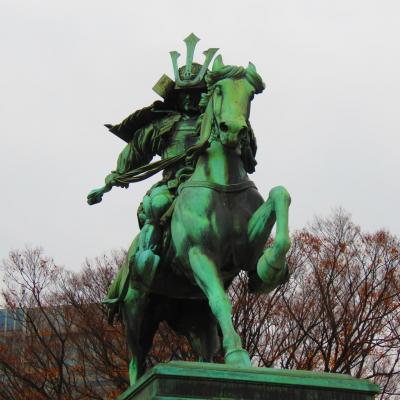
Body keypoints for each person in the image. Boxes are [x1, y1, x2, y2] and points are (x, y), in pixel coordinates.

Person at [88, 35, 218, 290]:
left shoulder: (216, 122)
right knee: (156, 206)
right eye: (184, 95)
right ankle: (146, 259)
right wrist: (110, 181)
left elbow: (241, 143)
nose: (189, 100)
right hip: (173, 186)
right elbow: (136, 151)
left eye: (195, 94)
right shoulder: (163, 125)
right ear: (176, 97)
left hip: (212, 184)